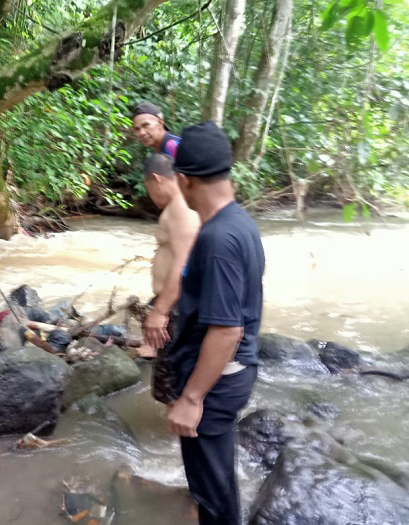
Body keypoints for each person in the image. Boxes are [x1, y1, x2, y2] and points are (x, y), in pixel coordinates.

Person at [166, 121, 265, 525]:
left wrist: (191, 399)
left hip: (217, 378)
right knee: (218, 482)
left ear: (185, 181)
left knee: (210, 493)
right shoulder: (240, 222)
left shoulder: (218, 239)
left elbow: (227, 329)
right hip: (230, 373)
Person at [140, 153, 200, 404]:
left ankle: (178, 438)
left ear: (156, 180)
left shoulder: (179, 210)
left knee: (174, 388)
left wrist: (160, 312)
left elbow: (183, 263)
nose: (151, 196)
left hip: (177, 307)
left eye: (148, 189)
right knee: (171, 384)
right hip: (177, 305)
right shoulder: (183, 206)